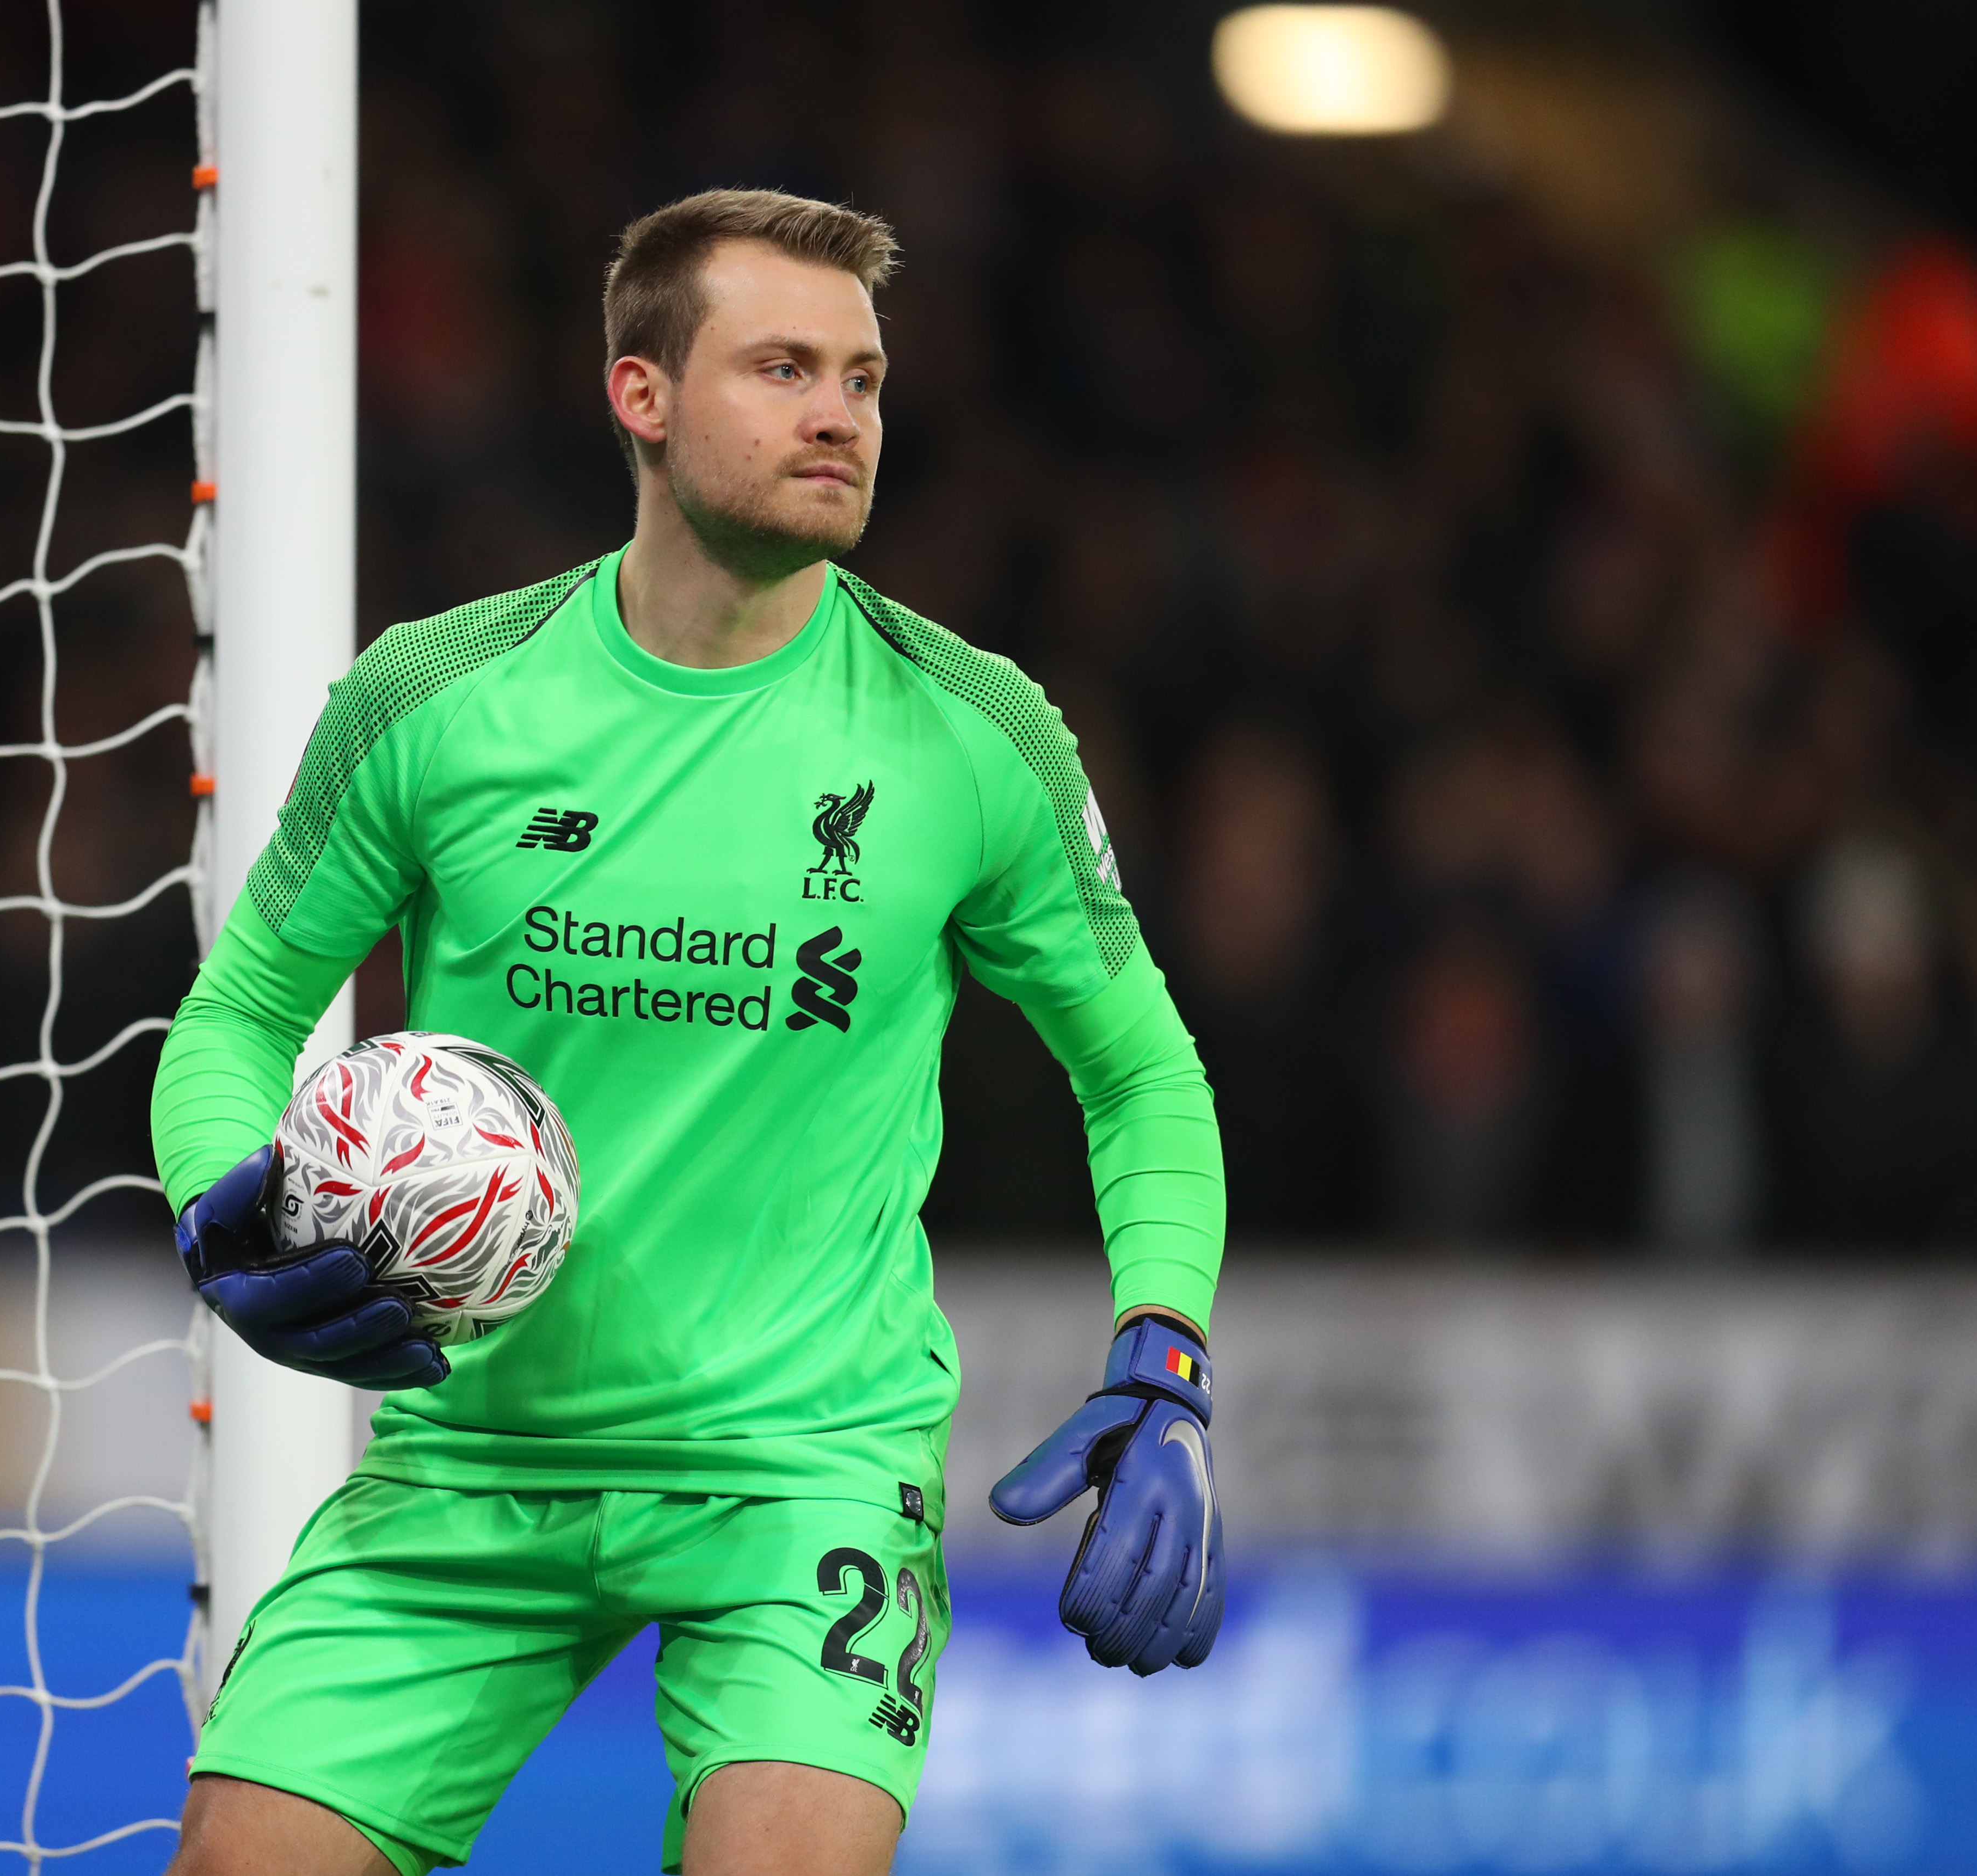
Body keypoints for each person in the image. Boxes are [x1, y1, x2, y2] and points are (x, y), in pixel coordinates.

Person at [152, 189, 1227, 1876]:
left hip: (805, 1479)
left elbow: (1139, 1065)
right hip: (470, 1463)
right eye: (784, 366)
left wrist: (1165, 1355)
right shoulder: (438, 701)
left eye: (864, 380)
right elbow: (241, 1014)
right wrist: (224, 1194)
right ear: (639, 397)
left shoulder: (973, 731)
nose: (838, 416)